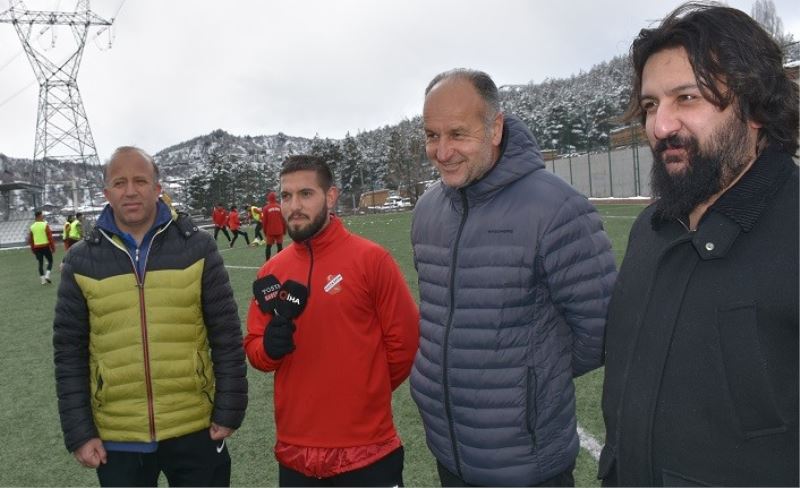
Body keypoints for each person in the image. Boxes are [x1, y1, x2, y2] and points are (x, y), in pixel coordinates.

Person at [599, 4, 798, 486]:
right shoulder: (650, 229)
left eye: (686, 98)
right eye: (650, 105)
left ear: (753, 107)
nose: (660, 126)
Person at [411, 69, 616, 487]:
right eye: (432, 135)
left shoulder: (557, 208)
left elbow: (601, 329)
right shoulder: (427, 210)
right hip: (448, 452)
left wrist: (529, 381)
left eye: (457, 134)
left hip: (528, 467)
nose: (442, 151)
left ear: (495, 128)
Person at [53, 146, 248, 487]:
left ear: (158, 188)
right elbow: (69, 353)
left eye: (141, 180)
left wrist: (229, 409)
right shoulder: (81, 261)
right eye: (120, 182)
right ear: (107, 192)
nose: (130, 190)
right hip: (118, 435)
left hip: (195, 426)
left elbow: (227, 334)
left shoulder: (198, 247)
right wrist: (80, 432)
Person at [244, 155, 419, 487]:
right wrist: (268, 349)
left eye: (306, 194)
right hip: (295, 453)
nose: (294, 205)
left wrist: (363, 392)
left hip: (368, 450)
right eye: (286, 196)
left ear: (331, 196)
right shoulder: (271, 272)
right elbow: (254, 348)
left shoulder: (371, 259)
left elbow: (405, 345)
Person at [29, 209, 56, 285]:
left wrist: (33, 250)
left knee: (40, 264)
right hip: (45, 246)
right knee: (50, 261)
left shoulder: (32, 227)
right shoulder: (45, 225)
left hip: (37, 248)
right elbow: (50, 237)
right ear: (38, 216)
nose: (43, 217)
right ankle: (47, 275)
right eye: (42, 215)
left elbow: (31, 240)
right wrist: (53, 247)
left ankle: (43, 280)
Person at [261, 191, 285, 261]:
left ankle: (267, 261)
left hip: (270, 231)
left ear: (268, 198)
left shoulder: (265, 208)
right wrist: (284, 230)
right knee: (279, 245)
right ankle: (280, 260)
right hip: (279, 230)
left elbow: (264, 221)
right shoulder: (279, 207)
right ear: (275, 198)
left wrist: (265, 231)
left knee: (268, 246)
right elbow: (283, 219)